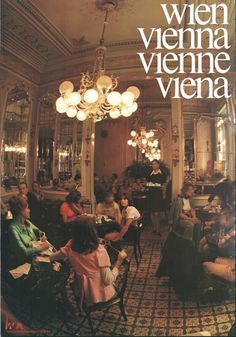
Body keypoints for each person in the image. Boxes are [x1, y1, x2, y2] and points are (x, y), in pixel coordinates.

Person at [50, 216, 127, 304]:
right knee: (109, 277)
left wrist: (43, 256)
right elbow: (108, 280)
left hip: (80, 290)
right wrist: (118, 262)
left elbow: (54, 256)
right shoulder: (99, 251)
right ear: (92, 232)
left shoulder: (70, 245)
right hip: (99, 294)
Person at [8, 196, 49, 267]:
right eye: (27, 208)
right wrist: (41, 248)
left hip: (36, 257)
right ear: (21, 211)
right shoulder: (13, 229)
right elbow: (24, 252)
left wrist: (42, 235)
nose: (29, 210)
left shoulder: (27, 222)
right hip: (25, 263)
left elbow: (40, 231)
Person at [147, 160, 167, 235]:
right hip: (151, 194)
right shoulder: (150, 174)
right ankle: (154, 228)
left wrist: (162, 188)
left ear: (158, 165)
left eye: (155, 164)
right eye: (152, 164)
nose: (153, 165)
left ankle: (158, 229)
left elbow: (164, 186)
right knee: (151, 212)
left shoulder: (162, 175)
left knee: (156, 213)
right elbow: (148, 183)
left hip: (158, 195)